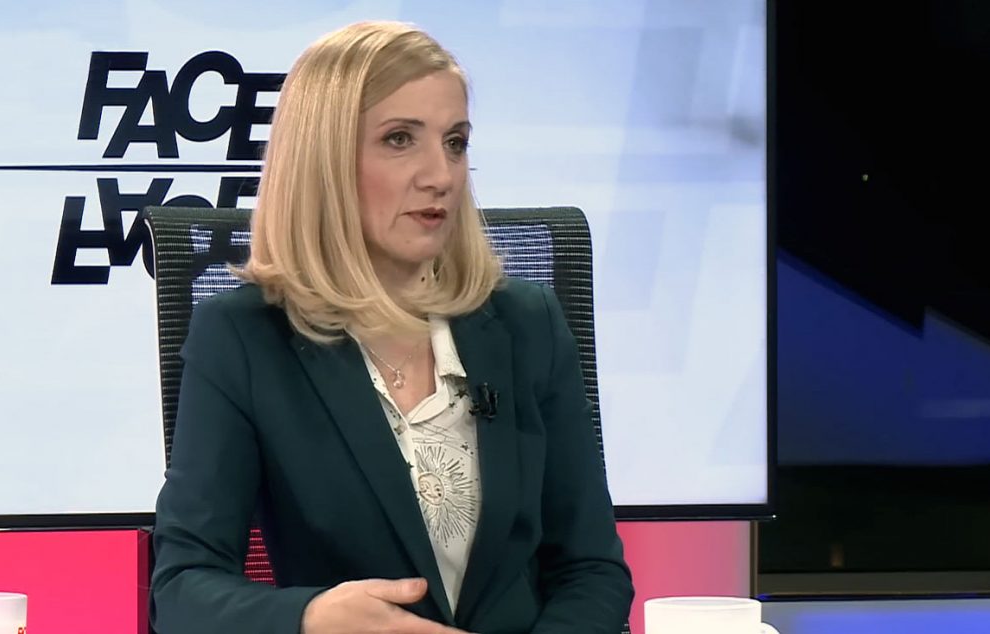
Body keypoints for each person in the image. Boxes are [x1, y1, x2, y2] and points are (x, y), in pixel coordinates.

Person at [150, 20, 633, 634]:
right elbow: (183, 590)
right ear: (323, 163)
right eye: (400, 139)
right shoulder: (244, 338)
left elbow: (591, 570)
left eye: (455, 142)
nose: (442, 175)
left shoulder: (527, 323)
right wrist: (310, 617)